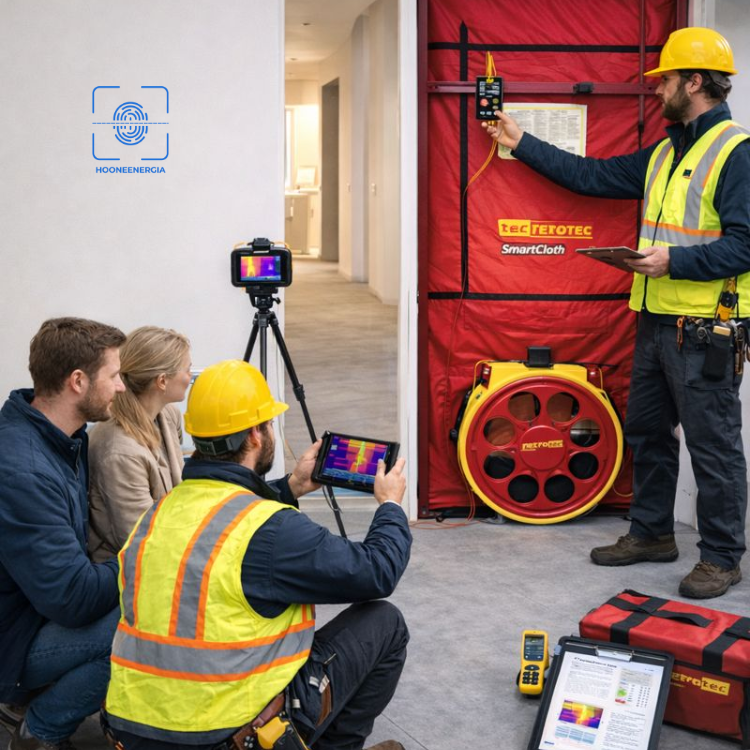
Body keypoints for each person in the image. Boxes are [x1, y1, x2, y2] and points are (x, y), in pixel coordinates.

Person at [484, 27, 750, 599]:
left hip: (706, 331)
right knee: (648, 433)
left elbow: (746, 246)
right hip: (655, 321)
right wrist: (519, 140)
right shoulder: (666, 152)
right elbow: (592, 177)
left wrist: (674, 261)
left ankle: (722, 557)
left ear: (694, 82)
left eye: (665, 80)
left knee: (714, 447)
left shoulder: (737, 153)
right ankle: (652, 533)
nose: (656, 90)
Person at [101, 359, 411, 750]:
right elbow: (377, 571)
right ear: (255, 435)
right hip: (224, 739)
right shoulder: (273, 529)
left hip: (131, 733)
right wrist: (390, 505)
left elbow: (225, 522)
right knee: (385, 623)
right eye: (268, 424)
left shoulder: (160, 512)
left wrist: (291, 487)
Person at [0, 317, 127, 750]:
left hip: (32, 615)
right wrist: (146, 557)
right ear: (77, 381)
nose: (121, 387)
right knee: (144, 625)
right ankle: (39, 730)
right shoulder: (25, 470)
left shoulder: (62, 438)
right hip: (12, 642)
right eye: (114, 376)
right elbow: (73, 598)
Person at [88, 326, 192, 562]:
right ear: (162, 381)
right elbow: (143, 538)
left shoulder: (168, 415)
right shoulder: (119, 453)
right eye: (187, 369)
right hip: (127, 571)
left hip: (171, 550)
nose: (190, 377)